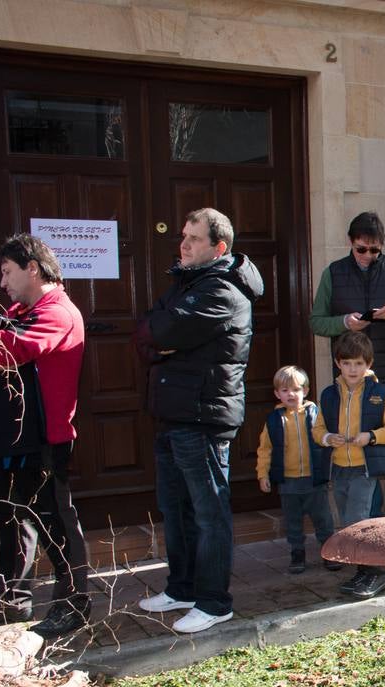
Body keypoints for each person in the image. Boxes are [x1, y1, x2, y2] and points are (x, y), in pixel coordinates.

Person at [136, 208, 260, 634]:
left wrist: (166, 343)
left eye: (194, 238)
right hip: (172, 414)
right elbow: (149, 332)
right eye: (183, 236)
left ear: (218, 248)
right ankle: (182, 588)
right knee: (176, 510)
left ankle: (213, 601)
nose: (183, 244)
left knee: (209, 514)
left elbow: (166, 334)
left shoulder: (222, 291)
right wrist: (163, 344)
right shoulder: (185, 284)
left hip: (202, 418)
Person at [0, 236, 90, 639]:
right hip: (11, 441)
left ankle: (74, 604)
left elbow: (12, 349)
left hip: (44, 439)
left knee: (54, 522)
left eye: (7, 271)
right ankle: (12, 602)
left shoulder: (58, 310)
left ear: (33, 268)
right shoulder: (23, 310)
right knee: (10, 521)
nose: (2, 283)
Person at [309, 212, 385, 516]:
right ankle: (371, 529)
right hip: (352, 381)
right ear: (351, 242)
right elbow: (316, 321)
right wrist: (344, 323)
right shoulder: (333, 273)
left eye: (374, 250)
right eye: (361, 249)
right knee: (363, 454)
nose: (367, 256)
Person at [314, 331, 385, 597]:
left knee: (358, 520)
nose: (353, 369)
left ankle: (373, 573)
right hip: (339, 467)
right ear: (337, 363)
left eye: (359, 363)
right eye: (347, 363)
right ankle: (363, 571)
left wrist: (371, 436)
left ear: (369, 364)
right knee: (347, 520)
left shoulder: (379, 394)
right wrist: (329, 438)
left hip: (365, 469)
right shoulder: (329, 394)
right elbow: (317, 429)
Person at [256, 366, 339, 575]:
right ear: (277, 393)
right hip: (288, 481)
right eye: (285, 390)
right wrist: (262, 474)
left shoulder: (315, 415)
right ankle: (297, 552)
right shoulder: (274, 420)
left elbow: (327, 440)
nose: (291, 394)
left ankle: (328, 551)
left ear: (306, 391)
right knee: (292, 522)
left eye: (296, 389)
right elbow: (265, 449)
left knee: (323, 519)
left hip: (314, 479)